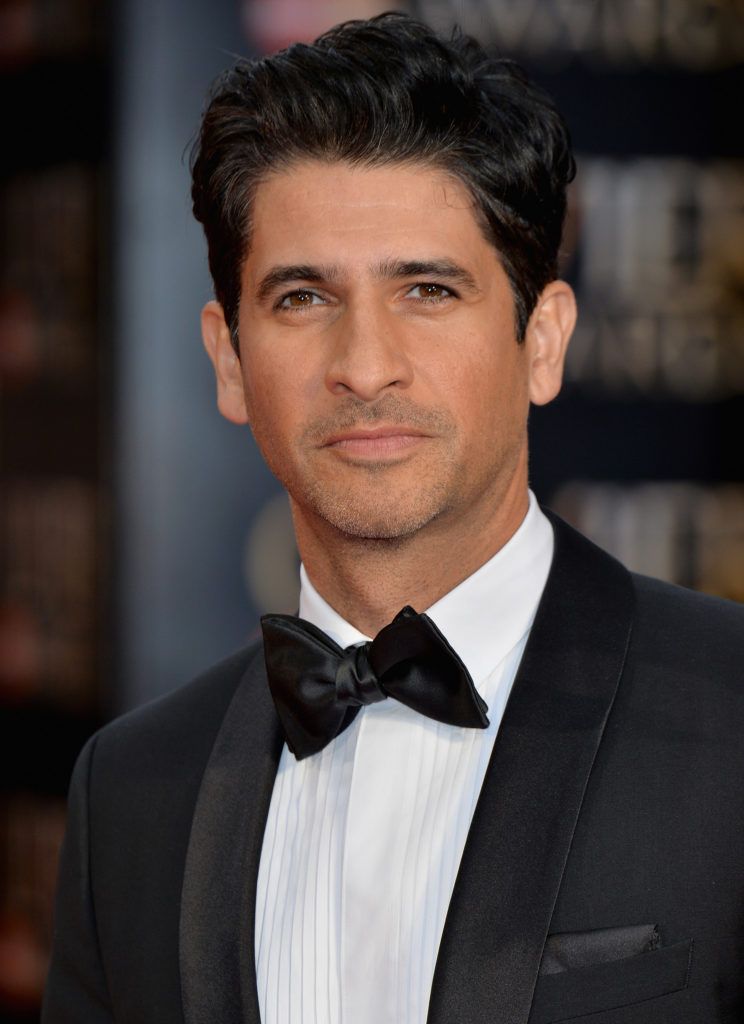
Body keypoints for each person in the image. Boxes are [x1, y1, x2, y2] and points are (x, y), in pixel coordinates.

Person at [43, 13, 744, 1024]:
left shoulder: (729, 718)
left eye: (427, 289)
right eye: (301, 298)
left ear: (542, 341)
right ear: (229, 361)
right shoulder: (131, 793)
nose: (365, 365)